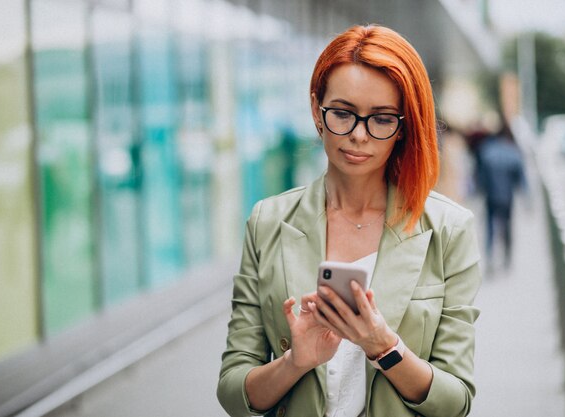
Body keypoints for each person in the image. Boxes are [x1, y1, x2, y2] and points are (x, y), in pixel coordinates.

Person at [217, 25, 481, 417]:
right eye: (342, 113)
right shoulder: (268, 221)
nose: (358, 135)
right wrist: (295, 362)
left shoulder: (448, 228)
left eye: (381, 119)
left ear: (403, 127)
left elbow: (455, 402)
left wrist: (384, 347)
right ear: (315, 111)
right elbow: (232, 391)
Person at [477, 122, 526, 269]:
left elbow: (480, 175)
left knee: (490, 227)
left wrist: (480, 190)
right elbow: (521, 179)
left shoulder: (486, 151)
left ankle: (490, 257)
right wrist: (526, 198)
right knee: (507, 227)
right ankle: (507, 257)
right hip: (507, 197)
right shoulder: (513, 152)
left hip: (491, 196)